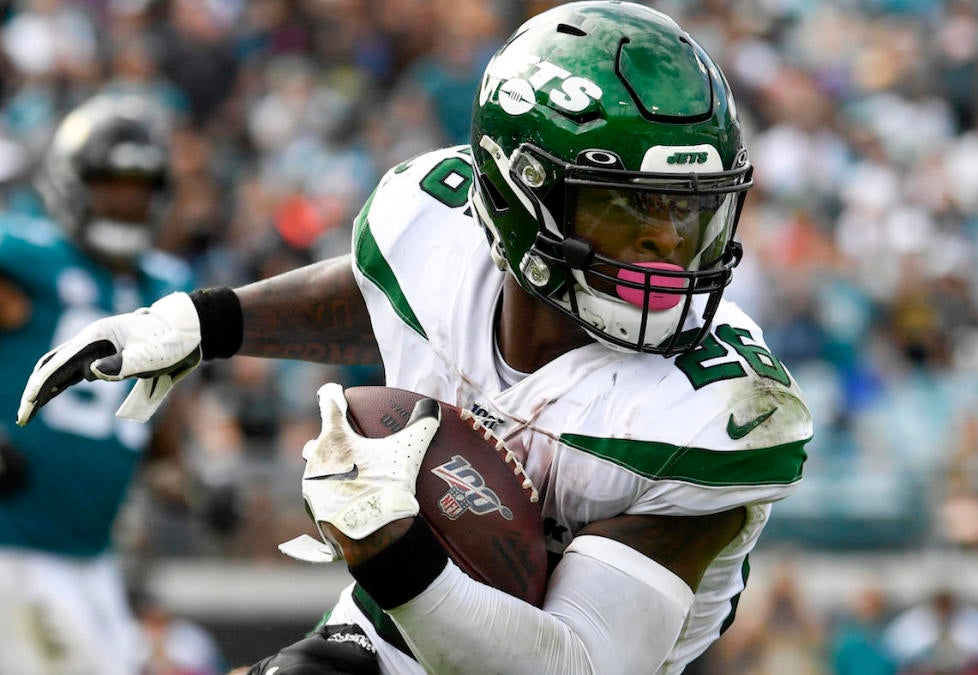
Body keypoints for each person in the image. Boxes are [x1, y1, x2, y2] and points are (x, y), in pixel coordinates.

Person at [18, 3, 813, 673]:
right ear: (517, 199)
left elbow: (573, 661)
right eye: (628, 211)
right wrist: (207, 320)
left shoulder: (723, 407)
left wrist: (389, 545)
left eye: (691, 215)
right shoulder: (435, 229)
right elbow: (383, 293)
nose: (668, 253)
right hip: (398, 622)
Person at [0, 94, 190, 673]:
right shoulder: (27, 261)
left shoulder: (168, 284)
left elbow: (159, 418)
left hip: (91, 549)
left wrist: (177, 472)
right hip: (15, 544)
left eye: (138, 186)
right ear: (72, 182)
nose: (126, 201)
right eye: (111, 183)